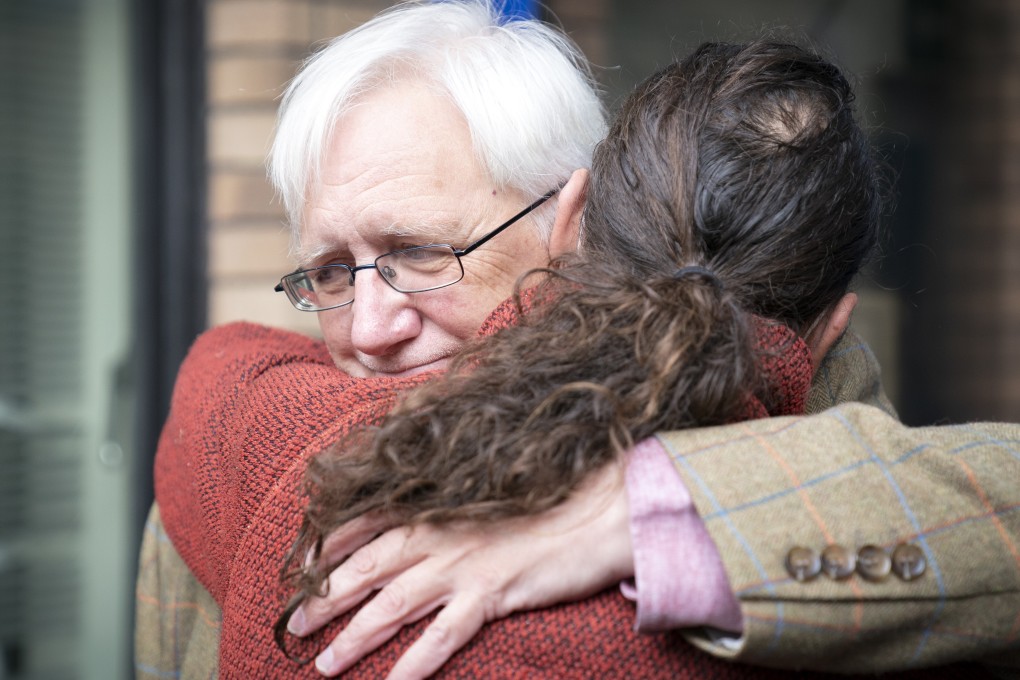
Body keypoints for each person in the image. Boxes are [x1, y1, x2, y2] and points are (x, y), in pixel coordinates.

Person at [133, 1, 1020, 678]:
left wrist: (650, 515)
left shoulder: (765, 392)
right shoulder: (232, 445)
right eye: (330, 271)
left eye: (418, 253)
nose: (369, 328)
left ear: (573, 222)